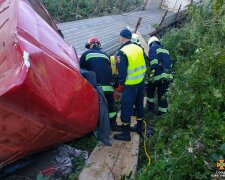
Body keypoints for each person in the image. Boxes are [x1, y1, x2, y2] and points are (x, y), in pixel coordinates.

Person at [113, 29, 147, 141]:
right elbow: (147, 62)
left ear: (122, 38)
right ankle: (139, 126)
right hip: (140, 82)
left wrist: (120, 84)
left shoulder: (121, 52)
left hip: (130, 85)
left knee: (126, 108)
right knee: (139, 105)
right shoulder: (139, 48)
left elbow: (121, 72)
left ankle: (126, 133)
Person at [79, 37, 120, 130]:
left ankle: (99, 127)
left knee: (97, 108)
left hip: (97, 88)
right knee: (111, 107)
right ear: (99, 45)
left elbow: (81, 71)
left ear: (91, 45)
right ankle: (113, 125)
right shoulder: (105, 55)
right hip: (109, 88)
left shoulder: (86, 54)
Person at [147, 36, 173, 115]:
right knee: (163, 96)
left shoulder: (153, 48)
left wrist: (150, 76)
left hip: (158, 76)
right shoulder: (165, 50)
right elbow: (170, 63)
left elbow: (153, 62)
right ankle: (163, 115)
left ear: (150, 44)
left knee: (150, 90)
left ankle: (150, 109)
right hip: (167, 77)